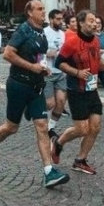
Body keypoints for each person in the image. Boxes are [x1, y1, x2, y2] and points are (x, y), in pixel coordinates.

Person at [0, 0, 70, 188]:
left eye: (44, 8)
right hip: (18, 85)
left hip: (36, 87)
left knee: (42, 127)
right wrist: (32, 67)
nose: (43, 12)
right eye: (39, 9)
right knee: (11, 128)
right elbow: (8, 54)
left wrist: (43, 69)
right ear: (29, 12)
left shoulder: (42, 33)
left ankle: (49, 172)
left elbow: (39, 58)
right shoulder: (23, 31)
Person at [51, 10, 104, 175]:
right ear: (81, 23)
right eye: (90, 21)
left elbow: (97, 59)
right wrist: (77, 73)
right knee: (82, 129)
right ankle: (58, 143)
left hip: (92, 89)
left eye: (95, 21)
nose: (94, 23)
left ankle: (80, 160)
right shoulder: (72, 42)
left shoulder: (96, 41)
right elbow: (59, 63)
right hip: (76, 90)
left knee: (95, 127)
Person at [44, 9, 68, 138]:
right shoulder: (44, 33)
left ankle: (50, 127)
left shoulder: (63, 34)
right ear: (51, 19)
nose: (60, 21)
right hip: (48, 72)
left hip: (60, 72)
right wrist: (50, 53)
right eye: (58, 19)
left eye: (61, 19)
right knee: (50, 104)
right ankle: (34, 109)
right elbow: (39, 52)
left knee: (61, 101)